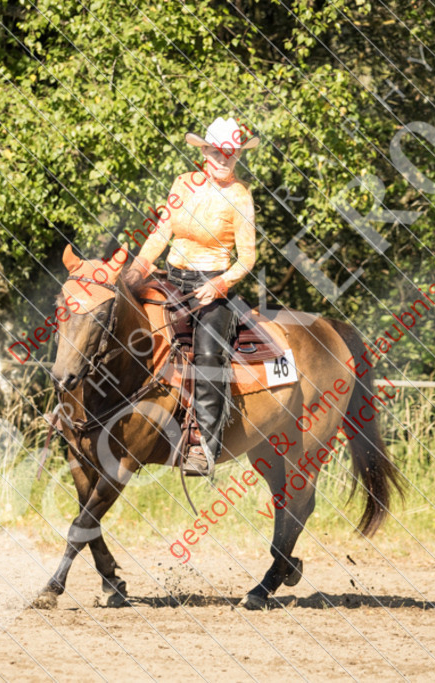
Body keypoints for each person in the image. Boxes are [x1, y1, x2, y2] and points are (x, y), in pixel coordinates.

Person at [124, 117, 259, 477]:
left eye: (230, 154)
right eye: (217, 151)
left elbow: (248, 257)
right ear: (205, 151)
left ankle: (204, 446)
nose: (223, 159)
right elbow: (160, 232)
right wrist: (137, 268)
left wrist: (220, 284)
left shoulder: (240, 196)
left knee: (209, 353)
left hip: (211, 285)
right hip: (171, 278)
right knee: (120, 320)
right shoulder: (183, 183)